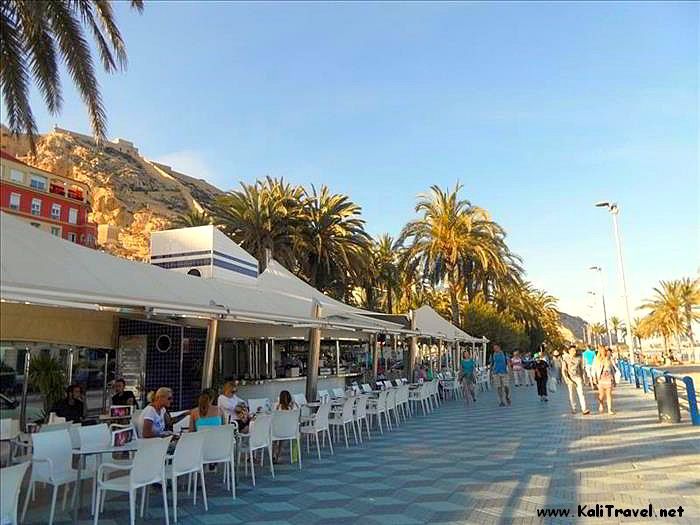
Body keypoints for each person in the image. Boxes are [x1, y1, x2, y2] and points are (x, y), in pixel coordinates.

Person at [561, 345, 590, 415]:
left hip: (578, 377)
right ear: (569, 351)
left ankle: (584, 409)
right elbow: (564, 370)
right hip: (570, 378)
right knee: (572, 394)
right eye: (572, 350)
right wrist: (566, 379)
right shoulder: (565, 359)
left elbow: (581, 368)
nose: (574, 352)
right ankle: (573, 408)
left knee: (581, 393)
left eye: (575, 350)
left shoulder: (579, 358)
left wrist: (583, 378)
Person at [272, 390, 299, 462]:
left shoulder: (277, 406)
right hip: (289, 432)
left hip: (277, 431)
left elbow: (272, 417)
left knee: (274, 438)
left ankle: (273, 454)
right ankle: (278, 455)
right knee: (281, 439)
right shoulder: (293, 407)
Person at [593, 347, 618, 414]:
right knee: (601, 395)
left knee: (609, 394)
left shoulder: (609, 359)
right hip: (600, 378)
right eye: (602, 351)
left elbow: (612, 370)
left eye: (604, 351)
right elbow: (594, 369)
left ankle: (610, 409)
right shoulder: (597, 360)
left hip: (608, 378)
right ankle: (601, 404)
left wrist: (614, 380)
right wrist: (594, 378)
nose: (604, 352)